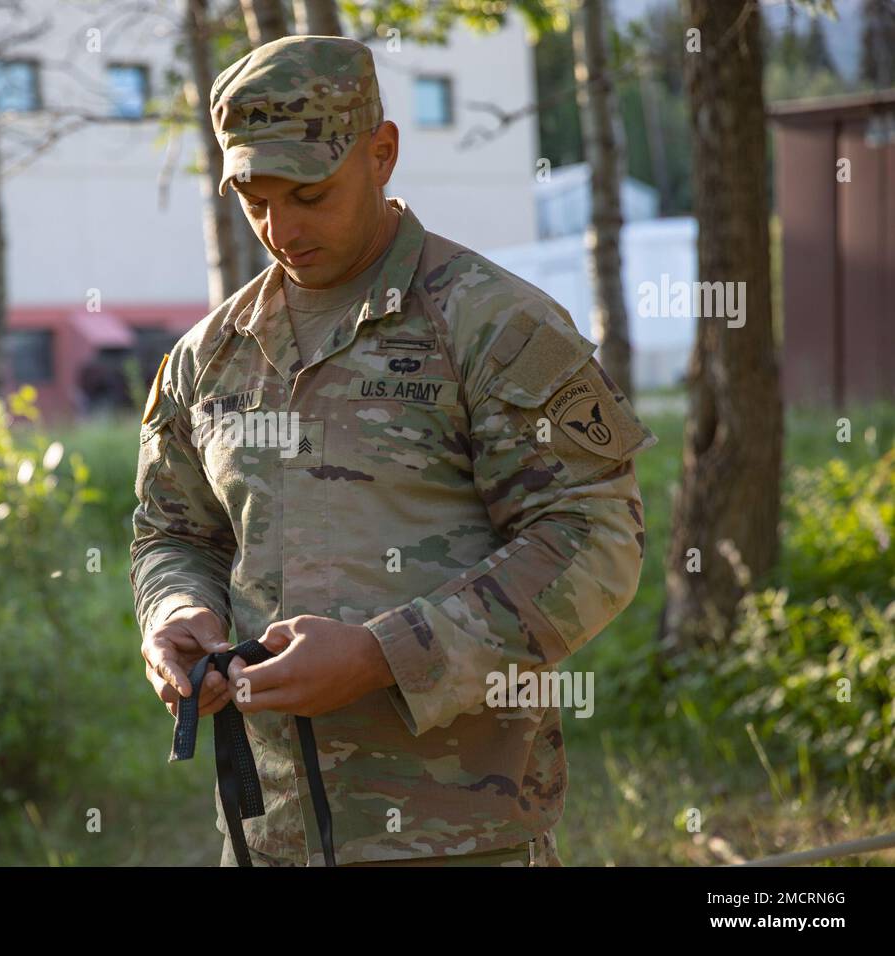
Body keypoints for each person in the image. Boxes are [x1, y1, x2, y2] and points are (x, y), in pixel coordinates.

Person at [130, 35, 658, 867]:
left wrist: (385, 655)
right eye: (255, 200)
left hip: (461, 835)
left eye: (309, 193)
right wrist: (175, 618)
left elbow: (595, 540)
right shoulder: (211, 353)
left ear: (382, 153)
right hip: (269, 836)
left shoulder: (492, 325)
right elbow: (175, 535)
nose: (281, 228)